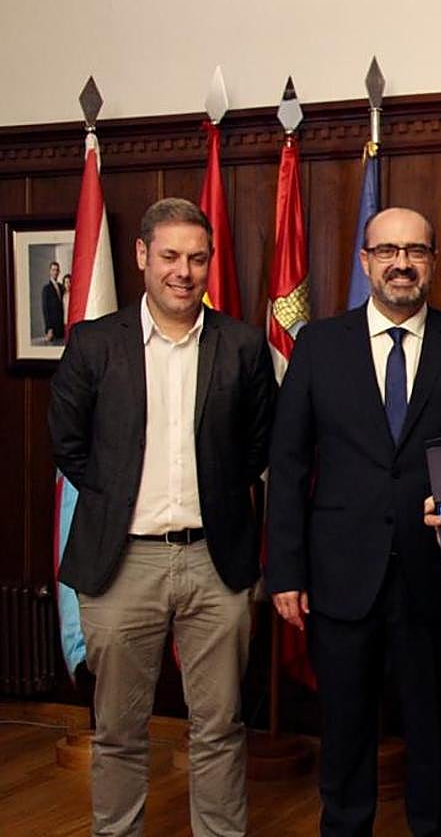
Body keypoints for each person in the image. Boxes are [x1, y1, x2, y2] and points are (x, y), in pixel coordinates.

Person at [265, 206, 441, 837]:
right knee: (344, 729)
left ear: (433, 263)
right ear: (366, 261)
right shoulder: (319, 345)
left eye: (416, 251)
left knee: (435, 728)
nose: (402, 263)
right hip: (340, 574)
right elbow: (288, 464)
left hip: (436, 574)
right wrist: (285, 570)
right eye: (388, 251)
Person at [48, 197, 276, 836]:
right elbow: (67, 444)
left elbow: (259, 446)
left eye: (197, 259)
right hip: (121, 563)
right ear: (142, 255)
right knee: (119, 730)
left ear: (209, 263)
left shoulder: (242, 345)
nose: (184, 271)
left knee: (220, 727)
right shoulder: (95, 343)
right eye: (171, 256)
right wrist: (120, 498)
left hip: (215, 561)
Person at [42, 259, 65, 342]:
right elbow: (45, 310)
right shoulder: (46, 289)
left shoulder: (62, 287)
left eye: (57, 270)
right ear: (50, 271)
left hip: (62, 327)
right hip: (52, 329)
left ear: (59, 272)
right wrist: (49, 328)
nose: (55, 272)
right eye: (53, 270)